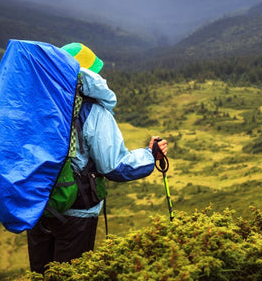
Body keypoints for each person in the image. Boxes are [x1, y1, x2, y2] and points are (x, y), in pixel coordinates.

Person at [27, 42, 168, 274]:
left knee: (40, 274)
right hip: (77, 214)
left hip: (38, 207)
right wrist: (150, 155)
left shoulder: (39, 107)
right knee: (72, 275)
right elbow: (114, 167)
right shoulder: (93, 111)